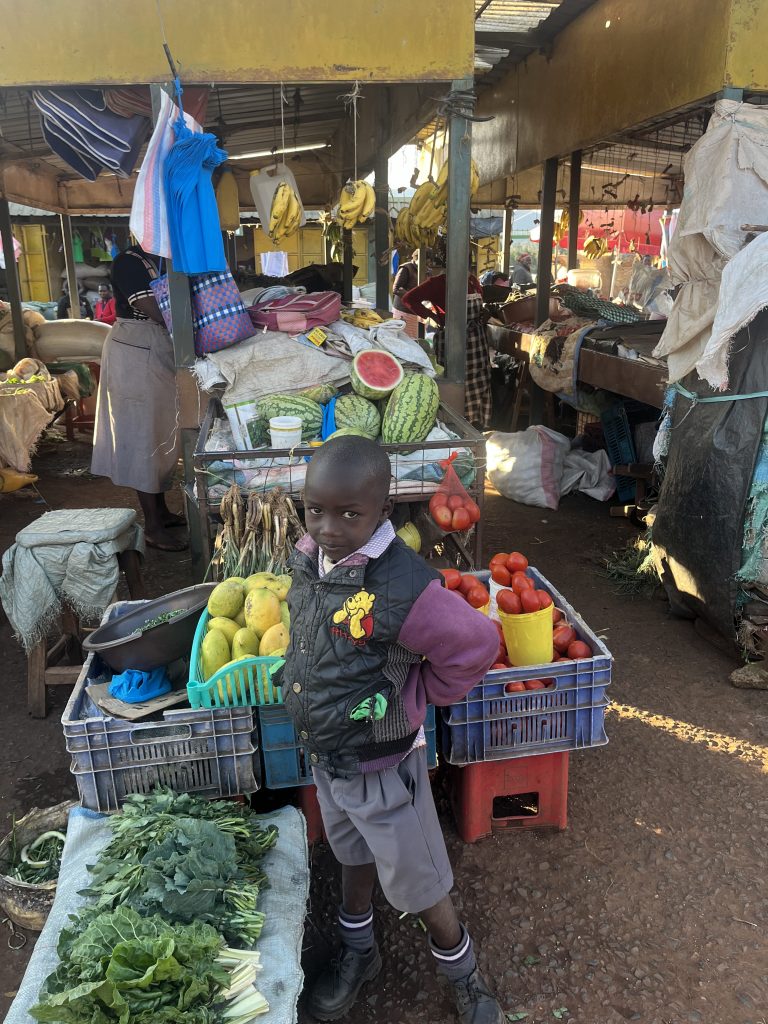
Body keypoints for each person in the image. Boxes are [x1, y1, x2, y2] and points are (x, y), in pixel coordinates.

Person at [283, 436, 503, 1024]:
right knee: (350, 853)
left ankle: (465, 973)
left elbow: (478, 644)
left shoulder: (403, 586)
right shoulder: (310, 559)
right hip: (329, 754)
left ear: (384, 510)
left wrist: (421, 695)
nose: (328, 527)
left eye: (349, 513)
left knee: (417, 878)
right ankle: (361, 951)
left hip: (382, 763)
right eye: (316, 510)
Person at [91, 244, 187, 552]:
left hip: (155, 350)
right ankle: (153, 527)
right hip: (134, 353)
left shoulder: (163, 260)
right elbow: (153, 309)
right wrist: (196, 321)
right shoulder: (129, 262)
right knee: (142, 436)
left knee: (158, 433)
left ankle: (162, 512)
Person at [401, 270, 491, 429]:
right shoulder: (437, 283)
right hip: (452, 341)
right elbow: (408, 299)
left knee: (479, 381)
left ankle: (478, 425)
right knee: (455, 382)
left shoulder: (473, 281)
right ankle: (454, 424)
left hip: (477, 341)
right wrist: (431, 316)